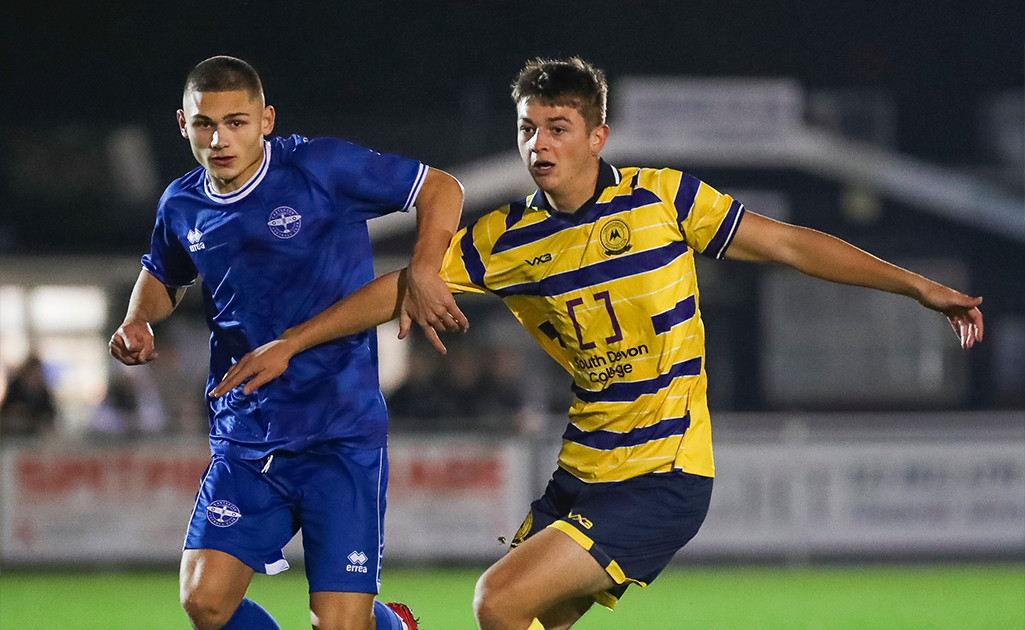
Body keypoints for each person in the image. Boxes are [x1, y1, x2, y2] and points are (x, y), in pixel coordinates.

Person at [209, 57, 984, 630]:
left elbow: (789, 247)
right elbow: (398, 291)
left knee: (497, 603)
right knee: (526, 622)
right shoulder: (505, 239)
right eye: (526, 130)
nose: (538, 145)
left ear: (596, 134)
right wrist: (292, 343)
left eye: (557, 128)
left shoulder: (663, 200)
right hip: (579, 476)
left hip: (664, 474)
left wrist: (915, 285)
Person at [109, 55, 468, 630]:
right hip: (245, 432)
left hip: (339, 432)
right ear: (183, 125)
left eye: (236, 121)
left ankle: (390, 623)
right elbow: (165, 274)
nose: (220, 138)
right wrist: (137, 319)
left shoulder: (320, 167)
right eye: (205, 124)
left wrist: (425, 266)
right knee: (204, 603)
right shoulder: (182, 203)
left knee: (338, 626)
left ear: (266, 120)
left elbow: (440, 188)